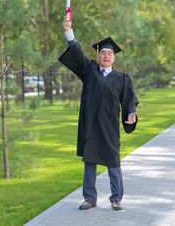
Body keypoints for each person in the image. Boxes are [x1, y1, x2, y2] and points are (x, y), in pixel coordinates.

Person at [59, 16, 139, 211]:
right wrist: (69, 32)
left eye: (109, 53)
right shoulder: (90, 70)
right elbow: (77, 53)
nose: (106, 56)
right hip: (92, 124)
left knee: (113, 162)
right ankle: (90, 198)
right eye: (102, 53)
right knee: (90, 161)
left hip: (110, 126)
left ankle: (116, 198)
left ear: (114, 57)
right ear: (98, 56)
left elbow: (129, 100)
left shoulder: (122, 77)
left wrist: (131, 113)